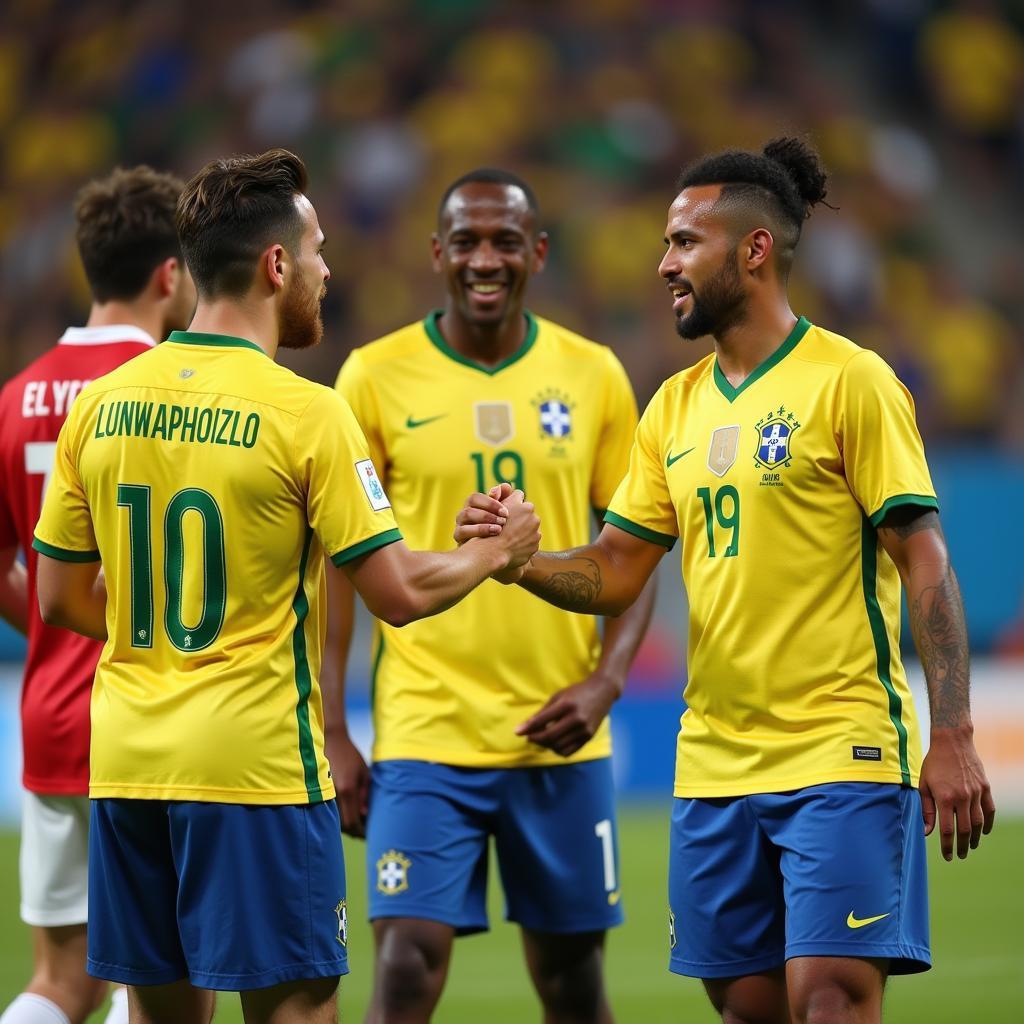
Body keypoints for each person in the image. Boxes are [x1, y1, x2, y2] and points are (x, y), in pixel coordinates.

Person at [456, 138, 996, 1024]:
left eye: (682, 243)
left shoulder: (852, 382)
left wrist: (956, 732)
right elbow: (618, 569)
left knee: (828, 998)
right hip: (713, 764)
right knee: (748, 1009)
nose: (663, 263)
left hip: (842, 751)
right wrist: (521, 565)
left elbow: (923, 555)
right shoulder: (673, 405)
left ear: (753, 251)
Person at [30, 148, 539, 1024]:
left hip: (126, 767)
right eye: (317, 252)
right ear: (275, 266)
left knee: (157, 1015)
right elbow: (398, 593)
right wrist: (499, 552)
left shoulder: (101, 405)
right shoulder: (305, 412)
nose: (326, 270)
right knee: (297, 1008)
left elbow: (60, 600)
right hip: (256, 772)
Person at [326, 167, 654, 1023]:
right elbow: (339, 567)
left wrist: (607, 682)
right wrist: (333, 730)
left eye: (505, 241)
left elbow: (636, 555)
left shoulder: (594, 375)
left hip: (559, 735)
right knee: (402, 968)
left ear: (537, 253)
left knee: (574, 984)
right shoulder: (371, 377)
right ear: (436, 253)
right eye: (466, 241)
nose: (485, 258)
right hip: (426, 729)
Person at [0, 165, 196, 1024]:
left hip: (49, 709)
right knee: (159, 979)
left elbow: (18, 571)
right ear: (169, 274)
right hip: (149, 713)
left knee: (62, 978)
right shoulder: (172, 393)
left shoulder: (16, 400)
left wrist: (59, 628)